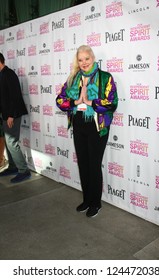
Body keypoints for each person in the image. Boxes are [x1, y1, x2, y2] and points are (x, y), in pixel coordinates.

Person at [56, 45, 118, 217]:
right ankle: (87, 199)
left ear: (93, 58)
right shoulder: (73, 78)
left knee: (93, 165)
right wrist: (76, 101)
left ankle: (96, 203)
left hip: (97, 127)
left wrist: (90, 102)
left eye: (87, 59)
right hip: (79, 124)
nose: (84, 63)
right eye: (80, 59)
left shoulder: (105, 78)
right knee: (83, 164)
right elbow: (60, 100)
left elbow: (112, 103)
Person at [0, 53, 31, 183]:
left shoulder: (9, 74)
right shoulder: (1, 74)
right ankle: (12, 167)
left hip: (12, 115)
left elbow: (15, 96)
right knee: (8, 142)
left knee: (12, 142)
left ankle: (24, 171)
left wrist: (11, 115)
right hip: (4, 115)